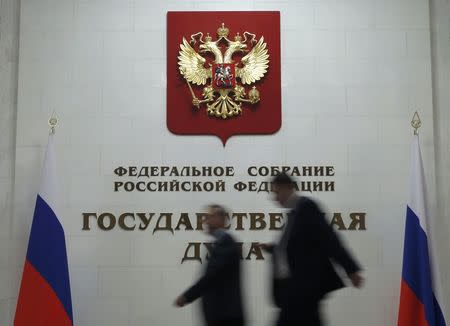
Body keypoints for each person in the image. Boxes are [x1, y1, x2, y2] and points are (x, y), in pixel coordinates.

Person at [260, 173, 364, 326]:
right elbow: (298, 247)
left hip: (303, 288)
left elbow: (329, 239)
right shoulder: (294, 213)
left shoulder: (306, 207)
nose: (275, 198)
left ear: (287, 187)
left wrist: (351, 269)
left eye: (276, 192)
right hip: (296, 290)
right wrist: (274, 249)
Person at [174, 204, 245, 326]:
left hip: (225, 316)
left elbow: (211, 276)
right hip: (223, 315)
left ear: (221, 219)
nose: (205, 221)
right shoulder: (221, 242)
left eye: (209, 217)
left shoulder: (225, 242)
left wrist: (187, 296)